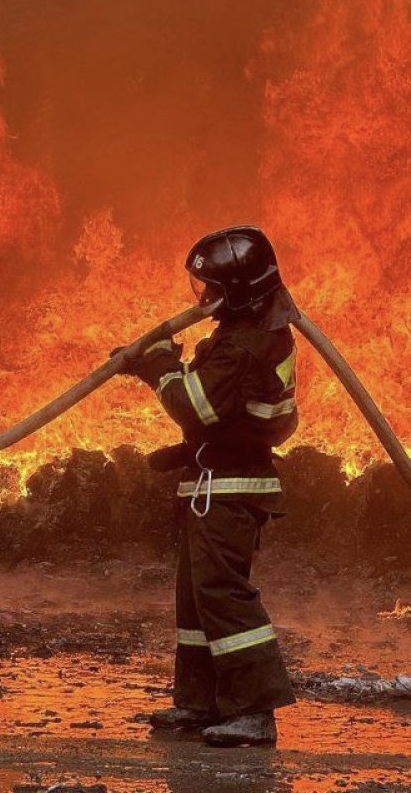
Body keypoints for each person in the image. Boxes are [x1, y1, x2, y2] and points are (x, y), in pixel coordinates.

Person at [116, 225, 300, 747]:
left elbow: (193, 406)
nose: (204, 299)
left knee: (223, 595)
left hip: (231, 488)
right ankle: (201, 703)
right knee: (196, 601)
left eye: (212, 287)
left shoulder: (246, 343)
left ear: (239, 289)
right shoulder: (246, 331)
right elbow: (227, 414)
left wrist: (160, 369)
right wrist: (186, 442)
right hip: (214, 479)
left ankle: (255, 710)